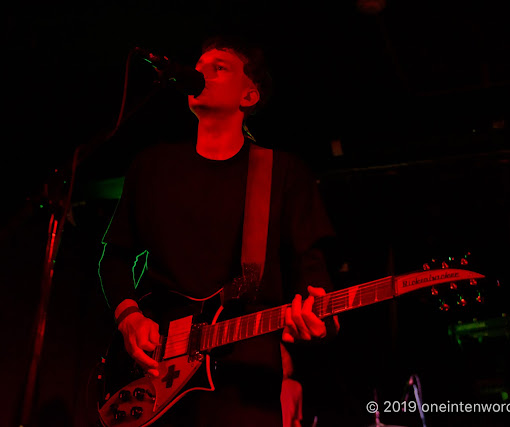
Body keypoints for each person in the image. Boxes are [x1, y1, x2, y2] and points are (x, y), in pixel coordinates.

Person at [98, 34, 339, 426]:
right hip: (151, 377)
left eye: (219, 67)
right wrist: (129, 318)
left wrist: (318, 314)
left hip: (244, 389)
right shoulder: (152, 166)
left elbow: (312, 275)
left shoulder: (282, 173)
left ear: (249, 95)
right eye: (199, 66)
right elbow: (115, 257)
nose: (200, 72)